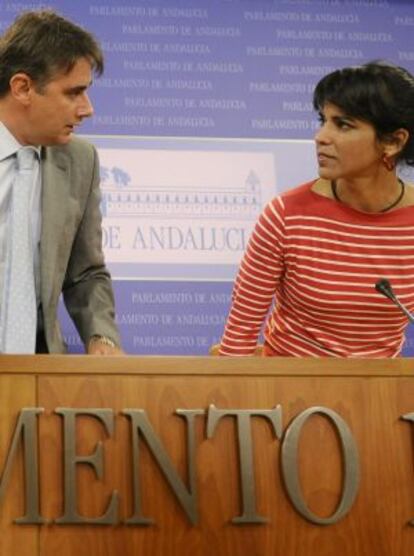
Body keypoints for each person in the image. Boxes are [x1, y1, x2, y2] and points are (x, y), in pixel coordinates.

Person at [219, 61, 414, 358]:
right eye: (324, 120)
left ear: (393, 141)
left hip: (379, 396)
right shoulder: (286, 215)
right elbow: (237, 342)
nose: (321, 136)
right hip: (287, 393)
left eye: (343, 124)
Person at [0, 10, 122, 354]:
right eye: (74, 93)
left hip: (41, 381)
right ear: (22, 87)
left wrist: (102, 337)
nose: (87, 109)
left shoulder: (80, 161)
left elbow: (86, 273)